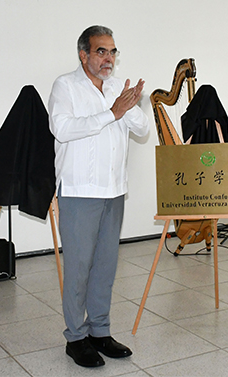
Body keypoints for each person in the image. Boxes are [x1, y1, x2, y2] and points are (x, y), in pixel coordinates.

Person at [48, 25, 149, 368]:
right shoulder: (66, 86)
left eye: (112, 52)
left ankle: (100, 331)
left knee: (105, 267)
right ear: (84, 55)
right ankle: (76, 337)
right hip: (79, 192)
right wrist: (112, 113)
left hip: (114, 190)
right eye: (101, 51)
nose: (108, 58)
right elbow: (61, 128)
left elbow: (143, 130)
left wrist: (129, 106)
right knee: (78, 268)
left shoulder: (117, 88)